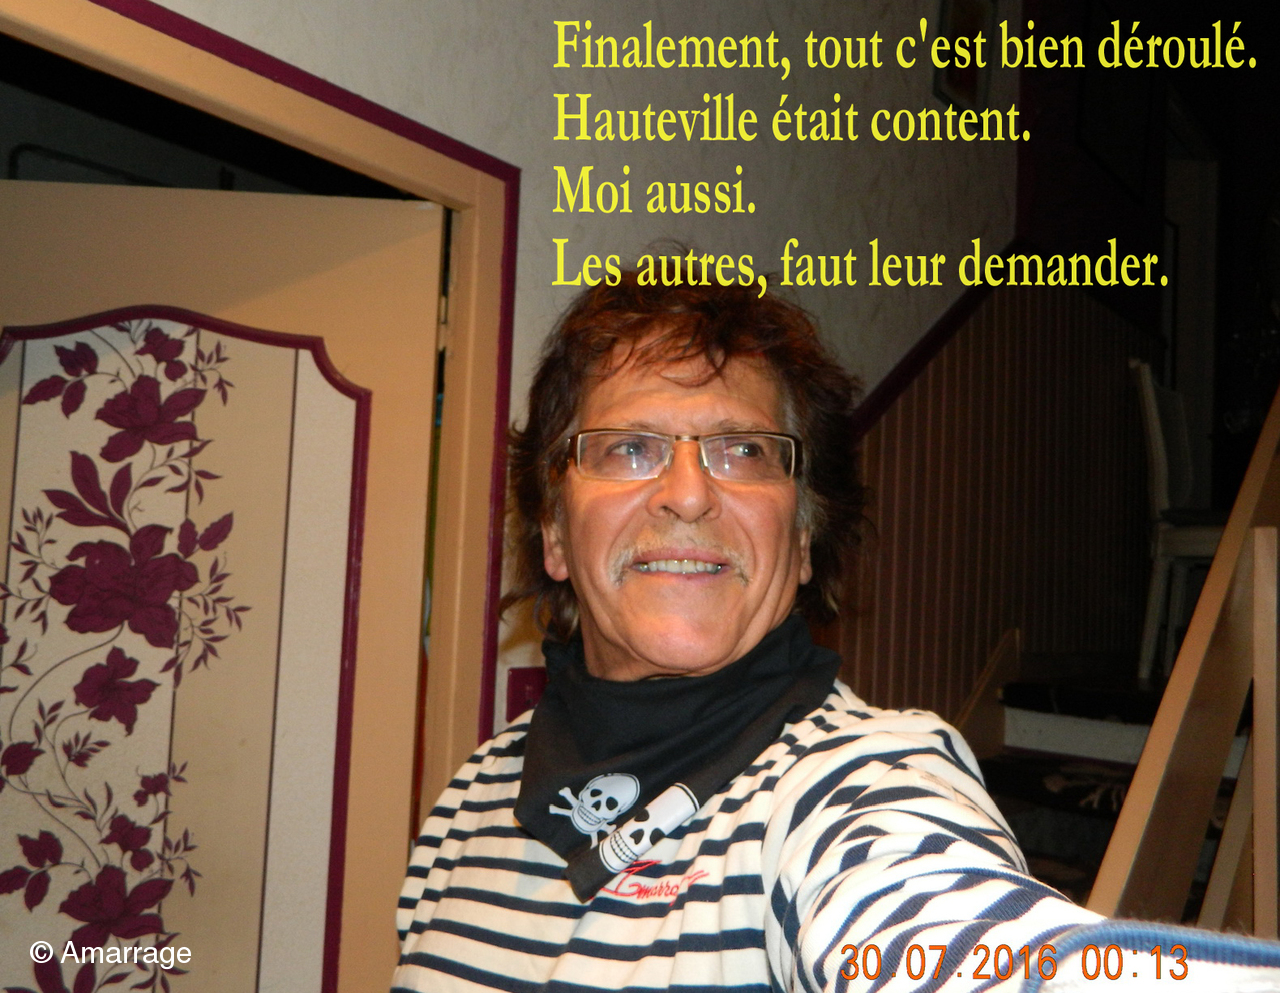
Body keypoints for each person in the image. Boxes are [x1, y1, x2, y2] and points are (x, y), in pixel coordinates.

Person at [391, 274, 1280, 991]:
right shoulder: (471, 797)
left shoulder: (859, 782)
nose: (689, 494)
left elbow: (950, 934)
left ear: (805, 537)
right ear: (553, 531)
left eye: (744, 450)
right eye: (629, 447)